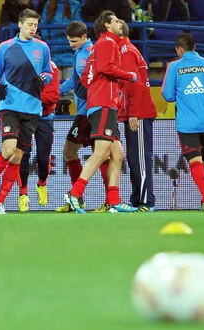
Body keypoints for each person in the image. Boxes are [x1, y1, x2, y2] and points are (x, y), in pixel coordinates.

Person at [0, 8, 52, 214]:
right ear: (20, 24)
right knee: (9, 150)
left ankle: (0, 202)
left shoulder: (42, 48)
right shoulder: (6, 47)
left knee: (18, 157)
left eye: (35, 25)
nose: (32, 28)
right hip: (9, 105)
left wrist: (44, 79)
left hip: (32, 108)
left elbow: (48, 71)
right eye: (29, 24)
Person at [66, 11, 137, 214]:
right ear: (107, 25)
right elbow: (106, 68)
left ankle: (114, 200)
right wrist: (128, 76)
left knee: (117, 154)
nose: (119, 23)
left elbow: (87, 79)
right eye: (115, 20)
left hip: (105, 102)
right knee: (101, 151)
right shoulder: (107, 43)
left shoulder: (99, 46)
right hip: (104, 102)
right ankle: (75, 193)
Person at [161, 33, 204, 211]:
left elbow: (167, 95)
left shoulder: (174, 66)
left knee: (194, 161)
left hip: (187, 123)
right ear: (194, 48)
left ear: (179, 49)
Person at [116, 22, 158, 213]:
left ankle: (146, 202)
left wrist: (134, 112)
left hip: (138, 113)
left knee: (140, 158)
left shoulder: (125, 51)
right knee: (134, 158)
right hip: (133, 111)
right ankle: (137, 199)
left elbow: (135, 83)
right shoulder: (125, 49)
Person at [54, 21, 93, 213]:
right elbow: (74, 80)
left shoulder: (86, 54)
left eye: (75, 41)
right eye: (69, 41)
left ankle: (78, 197)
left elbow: (88, 82)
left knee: (70, 150)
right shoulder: (82, 52)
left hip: (87, 111)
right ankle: (82, 199)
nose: (72, 44)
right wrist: (55, 92)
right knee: (104, 154)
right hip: (88, 110)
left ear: (84, 37)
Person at [17, 60, 60, 212]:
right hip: (25, 117)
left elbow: (53, 96)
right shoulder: (21, 66)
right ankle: (23, 195)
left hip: (44, 117)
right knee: (23, 156)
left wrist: (31, 98)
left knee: (43, 157)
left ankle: (42, 183)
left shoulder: (52, 68)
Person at [40, 0, 83, 81]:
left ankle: (68, 98)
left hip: (69, 49)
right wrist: (48, 42)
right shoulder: (49, 5)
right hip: (53, 48)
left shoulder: (75, 5)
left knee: (69, 83)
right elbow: (43, 24)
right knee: (55, 83)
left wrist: (72, 42)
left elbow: (78, 25)